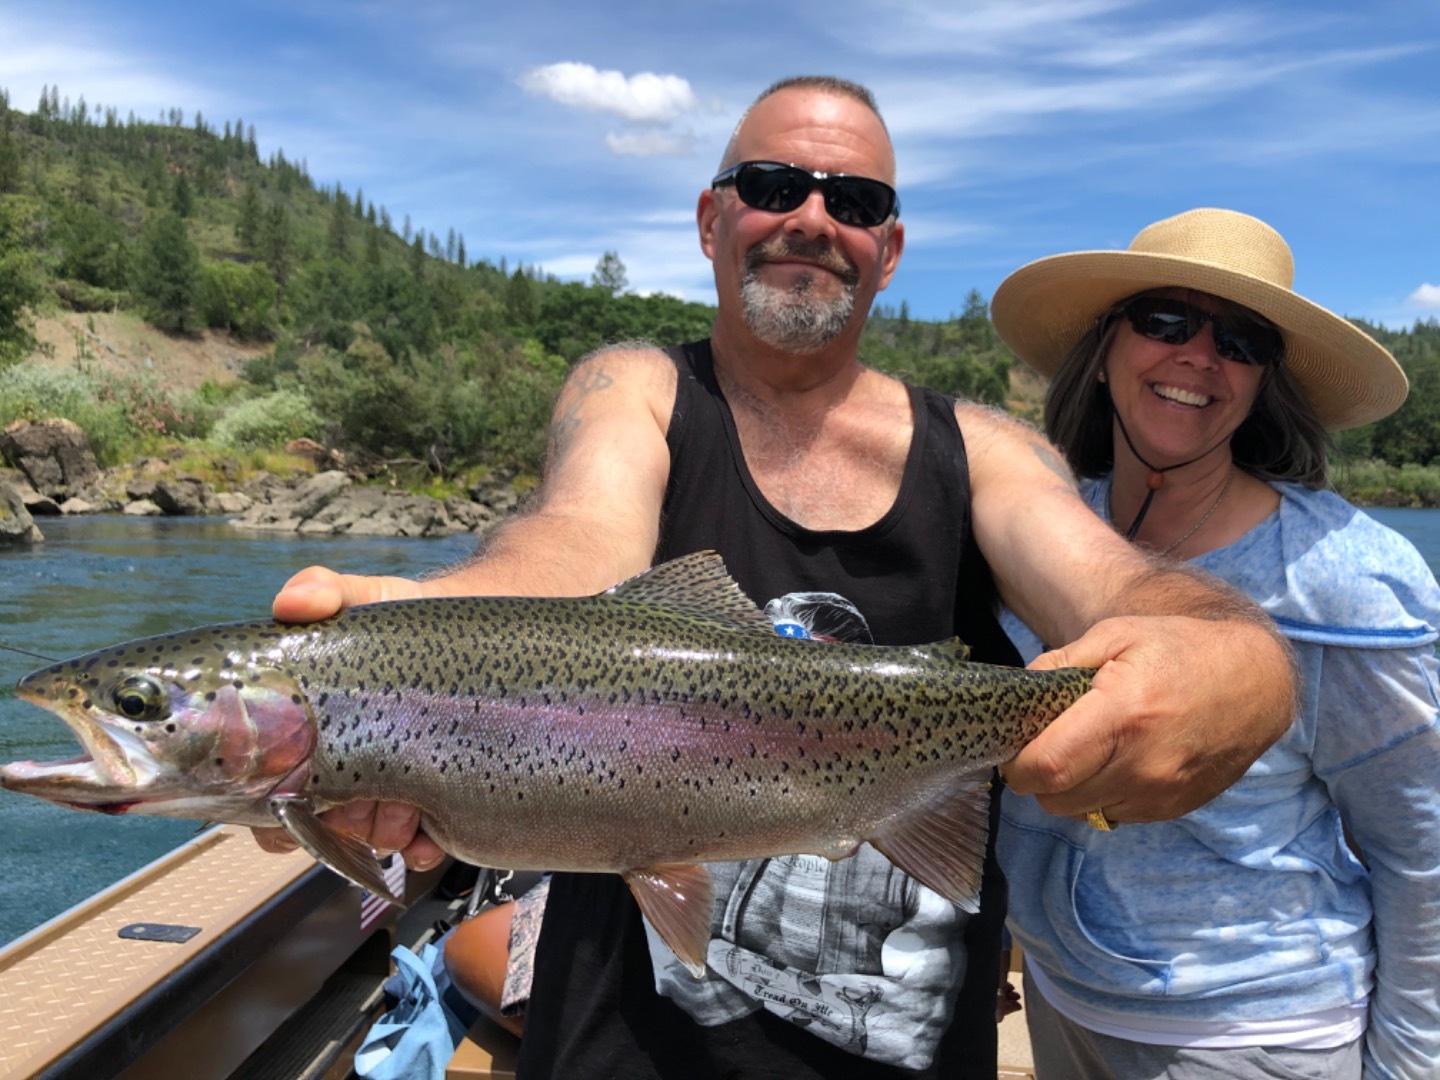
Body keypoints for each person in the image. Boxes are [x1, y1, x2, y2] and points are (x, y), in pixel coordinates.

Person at [257, 83, 1298, 1078]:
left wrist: (1230, 655)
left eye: (853, 202)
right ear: (711, 220)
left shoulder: (986, 448)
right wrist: (424, 646)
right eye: (770, 186)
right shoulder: (634, 391)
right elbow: (576, 541)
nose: (810, 217)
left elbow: (1121, 584)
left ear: (887, 251)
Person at [989, 207, 1440, 1079]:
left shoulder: (1344, 575)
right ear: (1106, 345)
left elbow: (1420, 847)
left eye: (1240, 340)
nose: (1200, 355)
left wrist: (1412, 1066)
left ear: (1267, 379)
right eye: (1166, 321)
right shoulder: (1030, 531)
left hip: (1251, 1039)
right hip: (1057, 995)